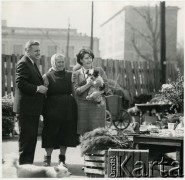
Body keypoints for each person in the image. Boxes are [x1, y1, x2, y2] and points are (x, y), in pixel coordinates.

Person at [13, 40, 48, 165]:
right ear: (27, 51)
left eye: (39, 50)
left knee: (31, 140)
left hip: (31, 109)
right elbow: (20, 83)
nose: (39, 53)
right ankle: (24, 168)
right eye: (36, 51)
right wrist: (38, 88)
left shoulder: (31, 63)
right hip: (26, 110)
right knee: (27, 140)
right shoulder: (23, 63)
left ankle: (27, 166)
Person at [42, 53, 79, 167]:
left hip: (68, 108)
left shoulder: (70, 75)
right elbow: (44, 95)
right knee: (50, 133)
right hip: (52, 108)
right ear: (53, 63)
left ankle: (62, 159)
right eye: (59, 62)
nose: (61, 64)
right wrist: (43, 111)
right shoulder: (46, 76)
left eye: (62, 61)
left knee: (65, 133)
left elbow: (74, 92)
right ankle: (47, 159)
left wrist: (77, 108)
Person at [72, 49, 108, 135]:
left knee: (98, 133)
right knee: (84, 134)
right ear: (81, 60)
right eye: (86, 58)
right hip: (82, 107)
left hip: (98, 106)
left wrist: (98, 93)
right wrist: (89, 84)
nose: (89, 60)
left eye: (91, 58)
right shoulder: (76, 74)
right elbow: (76, 92)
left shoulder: (99, 70)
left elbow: (106, 87)